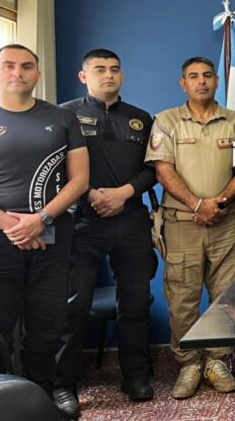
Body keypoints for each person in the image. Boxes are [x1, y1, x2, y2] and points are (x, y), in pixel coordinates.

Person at [0, 45, 89, 410]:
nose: (17, 72)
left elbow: (79, 180)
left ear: (38, 73)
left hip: (51, 234)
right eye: (8, 66)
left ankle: (42, 398)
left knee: (47, 323)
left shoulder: (63, 118)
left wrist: (41, 220)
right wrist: (14, 225)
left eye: (26, 66)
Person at [54, 49, 156, 416]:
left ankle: (137, 376)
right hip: (83, 221)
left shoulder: (141, 119)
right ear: (84, 76)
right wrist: (91, 195)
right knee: (73, 305)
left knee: (136, 302)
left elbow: (153, 169)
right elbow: (57, 168)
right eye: (100, 69)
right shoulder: (64, 115)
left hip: (130, 218)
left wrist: (124, 193)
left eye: (114, 69)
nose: (108, 75)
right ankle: (64, 385)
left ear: (122, 76)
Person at [145, 56, 235, 399]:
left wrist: (219, 203)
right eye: (193, 76)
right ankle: (189, 363)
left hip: (225, 223)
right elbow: (162, 170)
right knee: (183, 299)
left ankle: (218, 361)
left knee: (227, 297)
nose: (201, 81)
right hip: (182, 224)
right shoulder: (166, 121)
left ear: (217, 82)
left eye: (207, 75)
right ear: (183, 84)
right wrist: (197, 204)